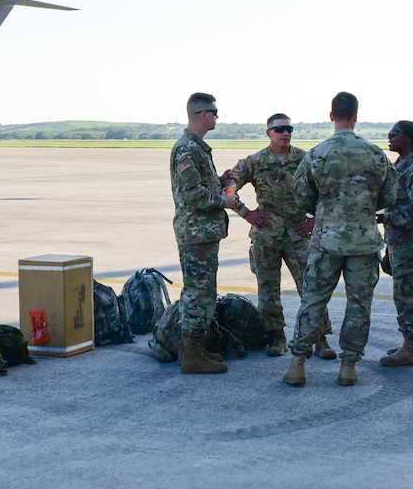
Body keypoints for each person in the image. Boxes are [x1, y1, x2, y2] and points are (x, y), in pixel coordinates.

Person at [282, 92, 397, 388]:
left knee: (313, 301)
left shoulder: (318, 153)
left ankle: (298, 364)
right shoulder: (374, 154)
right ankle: (349, 366)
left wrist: (325, 210)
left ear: (331, 116)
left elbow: (301, 196)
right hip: (364, 242)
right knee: (359, 304)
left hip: (326, 241)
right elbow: (390, 196)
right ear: (356, 116)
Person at [225, 114, 334, 359]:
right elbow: (230, 186)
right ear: (268, 133)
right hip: (266, 234)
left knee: (311, 286)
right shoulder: (254, 162)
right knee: (267, 289)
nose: (285, 133)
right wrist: (245, 213)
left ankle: (320, 338)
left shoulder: (306, 158)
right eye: (279, 129)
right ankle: (276, 336)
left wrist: (315, 218)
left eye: (289, 129)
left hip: (298, 233)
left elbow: (325, 190)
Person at [169, 92, 230, 374]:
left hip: (202, 232)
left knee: (202, 290)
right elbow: (192, 194)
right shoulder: (187, 149)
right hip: (197, 233)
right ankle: (192, 355)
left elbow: (201, 186)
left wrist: (220, 183)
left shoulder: (197, 147)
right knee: (199, 292)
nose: (217, 116)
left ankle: (194, 348)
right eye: (215, 112)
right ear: (202, 114)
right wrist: (224, 201)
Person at [379, 120, 413, 366]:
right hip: (401, 243)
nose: (389, 137)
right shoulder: (401, 166)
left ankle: (410, 347)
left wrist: (384, 217)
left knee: (408, 296)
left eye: (394, 134)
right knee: (412, 295)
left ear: (408, 138)